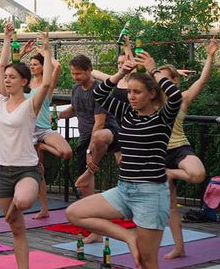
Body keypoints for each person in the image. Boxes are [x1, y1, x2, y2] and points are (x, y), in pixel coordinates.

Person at [65, 51, 182, 269]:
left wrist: (153, 70)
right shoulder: (127, 113)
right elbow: (99, 94)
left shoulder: (162, 118)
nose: (131, 96)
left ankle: (134, 240)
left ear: (151, 95)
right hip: (124, 190)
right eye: (129, 92)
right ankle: (129, 237)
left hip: (150, 194)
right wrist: (120, 73)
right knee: (75, 212)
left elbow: (175, 97)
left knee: (147, 263)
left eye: (137, 92)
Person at [0, 27, 52, 269]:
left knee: (25, 202)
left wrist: (47, 51)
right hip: (3, 172)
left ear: (24, 82)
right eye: (5, 76)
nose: (6, 80)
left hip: (27, 170)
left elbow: (47, 82)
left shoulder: (30, 105)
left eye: (12, 77)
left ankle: (18, 203)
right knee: (17, 229)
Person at [159, 38, 218, 260]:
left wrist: (211, 55)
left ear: (174, 80)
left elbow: (202, 81)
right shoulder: (150, 100)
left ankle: (170, 173)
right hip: (158, 153)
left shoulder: (182, 99)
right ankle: (179, 247)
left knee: (198, 173)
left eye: (164, 78)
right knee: (170, 205)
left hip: (179, 148)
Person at [57, 54, 120, 243]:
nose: (75, 77)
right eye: (73, 73)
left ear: (89, 70)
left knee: (106, 149)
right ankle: (96, 230)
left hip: (107, 133)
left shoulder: (99, 90)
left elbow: (99, 124)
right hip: (85, 137)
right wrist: (56, 115)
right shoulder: (76, 89)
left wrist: (89, 152)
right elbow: (74, 110)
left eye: (78, 73)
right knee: (85, 184)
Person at [22, 41, 72, 219]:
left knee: (66, 152)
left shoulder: (46, 85)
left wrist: (46, 52)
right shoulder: (25, 85)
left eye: (36, 64)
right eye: (31, 65)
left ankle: (43, 147)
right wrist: (22, 52)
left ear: (43, 68)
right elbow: (11, 69)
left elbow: (57, 65)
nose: (32, 67)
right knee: (38, 170)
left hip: (43, 130)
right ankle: (44, 208)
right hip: (28, 131)